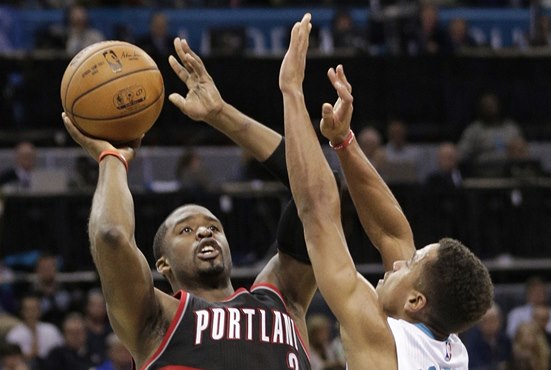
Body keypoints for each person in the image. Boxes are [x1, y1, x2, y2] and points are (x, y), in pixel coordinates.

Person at [60, 36, 317, 370]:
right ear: (163, 264)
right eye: (186, 230)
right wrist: (112, 158)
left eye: (213, 227)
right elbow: (110, 236)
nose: (204, 233)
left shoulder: (283, 299)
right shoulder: (156, 319)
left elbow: (321, 191)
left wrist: (221, 115)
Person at [280, 13, 493, 369]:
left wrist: (291, 90)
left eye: (409, 264)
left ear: (415, 302)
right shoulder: (451, 349)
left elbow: (317, 210)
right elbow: (392, 232)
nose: (396, 263)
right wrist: (343, 141)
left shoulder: (379, 340)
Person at [5, 294, 64, 367]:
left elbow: (62, 354)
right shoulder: (14, 335)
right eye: (28, 309)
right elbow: (9, 362)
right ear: (22, 312)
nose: (32, 313)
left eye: (35, 309)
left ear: (40, 311)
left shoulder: (51, 330)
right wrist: (28, 356)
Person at [462, 302, 512, 370]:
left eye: (493, 320)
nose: (490, 324)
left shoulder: (506, 341)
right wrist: (496, 367)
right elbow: (473, 367)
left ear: (500, 320)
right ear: (479, 324)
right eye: (486, 321)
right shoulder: (472, 342)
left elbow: (510, 364)